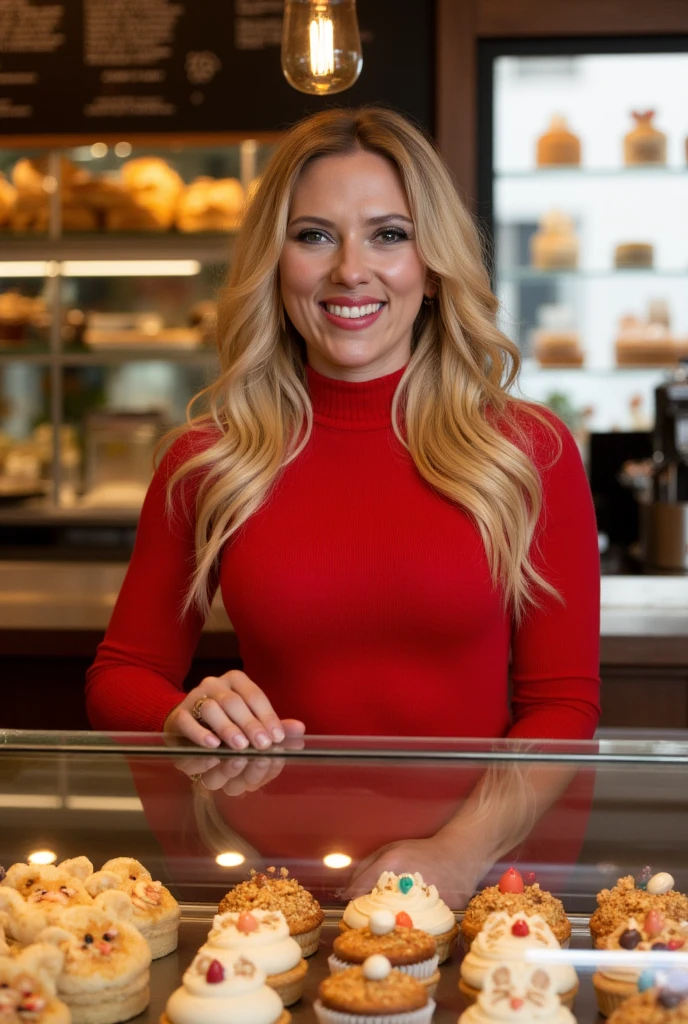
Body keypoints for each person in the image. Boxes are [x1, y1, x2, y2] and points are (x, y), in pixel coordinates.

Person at [85, 106, 600, 751]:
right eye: (314, 236)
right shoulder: (209, 459)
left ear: (434, 268)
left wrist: (459, 853)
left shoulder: (528, 451)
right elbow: (122, 675)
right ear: (274, 263)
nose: (350, 270)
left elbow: (562, 706)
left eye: (388, 235)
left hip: (483, 849)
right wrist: (180, 713)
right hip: (274, 848)